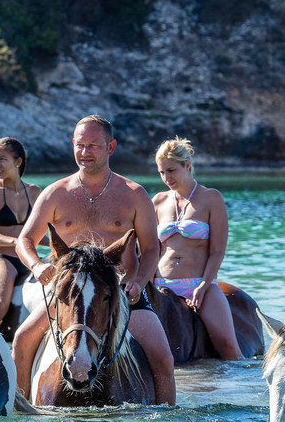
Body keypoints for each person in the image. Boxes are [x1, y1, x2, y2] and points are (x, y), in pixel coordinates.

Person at [13, 116, 176, 405]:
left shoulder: (134, 194)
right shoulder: (55, 193)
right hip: (68, 296)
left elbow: (152, 248)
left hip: (123, 295)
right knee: (22, 340)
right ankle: (20, 411)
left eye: (93, 145)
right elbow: (24, 241)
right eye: (79, 145)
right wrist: (37, 265)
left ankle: (167, 420)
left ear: (110, 147)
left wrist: (139, 282)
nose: (85, 152)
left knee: (163, 357)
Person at [152, 139, 241, 359]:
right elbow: (151, 249)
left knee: (228, 345)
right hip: (161, 286)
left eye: (171, 170)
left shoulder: (211, 198)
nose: (166, 177)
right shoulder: (158, 201)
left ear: (187, 165)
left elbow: (217, 251)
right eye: (162, 172)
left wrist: (203, 285)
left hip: (199, 284)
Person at [0, 137, 43, 326]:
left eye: (2, 159)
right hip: (3, 260)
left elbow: (40, 233)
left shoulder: (34, 192)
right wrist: (17, 242)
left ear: (18, 162)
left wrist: (65, 244)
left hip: (29, 259)